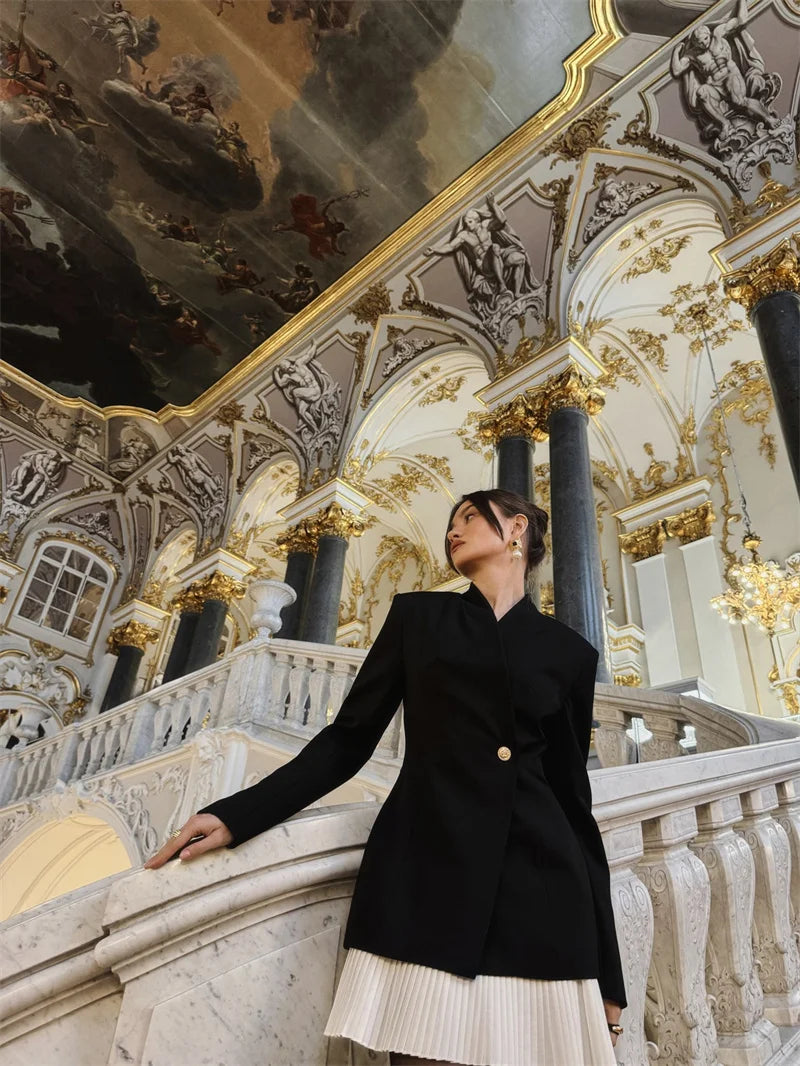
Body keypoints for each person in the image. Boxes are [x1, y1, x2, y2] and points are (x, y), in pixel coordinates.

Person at [144, 489, 627, 1065]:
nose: (453, 530)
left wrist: (608, 972)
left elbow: (575, 805)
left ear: (516, 528)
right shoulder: (418, 618)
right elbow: (348, 739)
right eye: (450, 522)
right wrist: (237, 813)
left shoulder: (568, 653)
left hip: (541, 885)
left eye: (469, 517)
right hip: (429, 870)